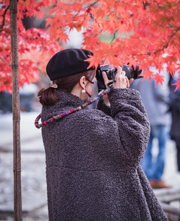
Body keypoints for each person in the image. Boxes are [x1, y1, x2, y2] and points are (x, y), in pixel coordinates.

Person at [36, 49, 168, 221]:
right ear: (83, 82)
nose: (94, 84)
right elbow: (133, 143)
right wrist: (124, 96)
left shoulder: (55, 116)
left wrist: (107, 106)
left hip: (76, 207)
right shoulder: (82, 121)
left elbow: (99, 145)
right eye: (92, 79)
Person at [131, 69, 171, 189]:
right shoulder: (156, 75)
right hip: (159, 116)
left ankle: (147, 178)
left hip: (145, 117)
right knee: (162, 148)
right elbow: (161, 94)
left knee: (146, 149)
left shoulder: (138, 77)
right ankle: (157, 177)